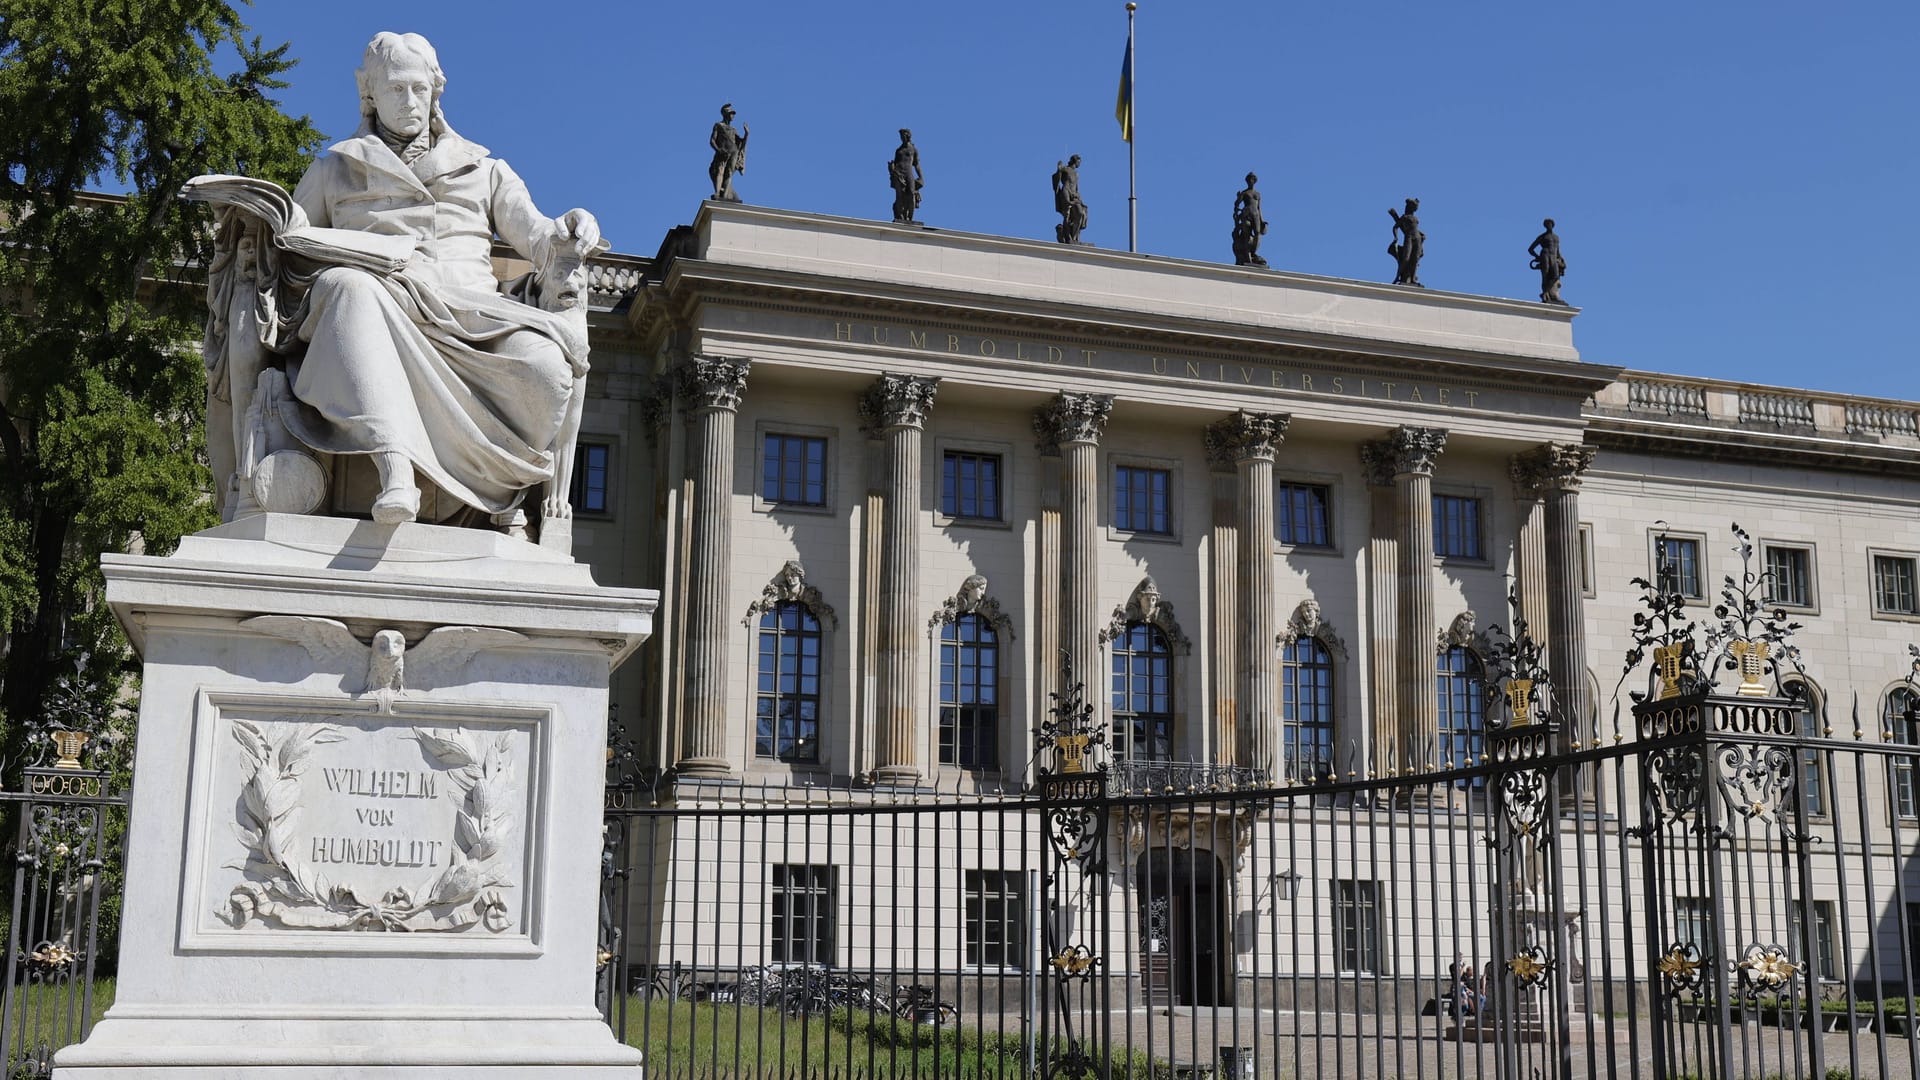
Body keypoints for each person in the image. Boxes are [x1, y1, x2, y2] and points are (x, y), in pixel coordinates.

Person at [272, 32, 601, 526]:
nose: (409, 102)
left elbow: (537, 234)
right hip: (378, 309)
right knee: (346, 288)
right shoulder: (334, 167)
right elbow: (288, 239)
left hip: (475, 321)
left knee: (547, 369)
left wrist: (570, 227)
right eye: (395, 89)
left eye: (419, 89)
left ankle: (498, 493)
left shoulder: (485, 167)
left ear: (435, 91)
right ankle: (395, 466)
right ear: (369, 92)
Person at [709, 103, 748, 201]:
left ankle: (725, 195)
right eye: (731, 113)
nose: (733, 116)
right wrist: (718, 150)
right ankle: (717, 193)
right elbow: (712, 140)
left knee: (729, 173)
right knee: (719, 171)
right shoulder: (718, 125)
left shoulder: (733, 130)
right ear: (725, 114)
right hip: (723, 152)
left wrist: (747, 134)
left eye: (733, 114)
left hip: (733, 153)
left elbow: (741, 144)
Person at [1232, 172, 1268, 267]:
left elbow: (1259, 208)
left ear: (1254, 181)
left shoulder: (1258, 194)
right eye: (1249, 180)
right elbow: (1236, 205)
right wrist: (1238, 199)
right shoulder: (1244, 193)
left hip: (1255, 214)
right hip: (1246, 214)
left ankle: (1253, 253)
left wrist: (1262, 220)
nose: (1250, 181)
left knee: (1257, 233)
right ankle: (1247, 255)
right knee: (1247, 234)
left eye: (1252, 179)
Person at [887, 128, 923, 224]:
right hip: (899, 173)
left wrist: (921, 177)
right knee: (900, 196)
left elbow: (917, 165)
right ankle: (901, 216)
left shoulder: (913, 149)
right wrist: (891, 168)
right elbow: (895, 162)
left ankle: (910, 218)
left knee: (911, 194)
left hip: (909, 173)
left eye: (903, 136)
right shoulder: (898, 150)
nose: (902, 138)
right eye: (901, 136)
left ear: (908, 136)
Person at [1529, 218, 1567, 305]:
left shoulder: (1556, 237)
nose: (1549, 225)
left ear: (1552, 225)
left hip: (1553, 257)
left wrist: (1562, 259)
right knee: (1545, 276)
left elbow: (1557, 250)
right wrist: (1537, 257)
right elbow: (1530, 249)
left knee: (1555, 276)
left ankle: (1545, 293)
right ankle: (1547, 296)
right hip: (1545, 255)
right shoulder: (1542, 237)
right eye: (1547, 224)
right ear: (1545, 226)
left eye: (1550, 224)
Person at [1387, 197, 1424, 287]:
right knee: (1406, 258)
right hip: (1409, 238)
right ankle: (1398, 277)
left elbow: (1416, 229)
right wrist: (1395, 237)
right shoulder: (1404, 217)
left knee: (1415, 259)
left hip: (1417, 239)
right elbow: (1395, 227)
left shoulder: (1414, 218)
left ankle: (1413, 279)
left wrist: (1422, 235)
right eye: (1414, 207)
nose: (1415, 209)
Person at [1053, 155, 1088, 244]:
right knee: (1067, 215)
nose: (1079, 163)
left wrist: (1079, 198)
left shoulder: (1076, 173)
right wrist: (1058, 169)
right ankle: (1068, 237)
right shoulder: (1066, 169)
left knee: (1080, 213)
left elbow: (1076, 187)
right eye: (1078, 161)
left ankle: (1075, 237)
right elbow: (1056, 177)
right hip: (1066, 191)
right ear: (1074, 161)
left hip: (1075, 194)